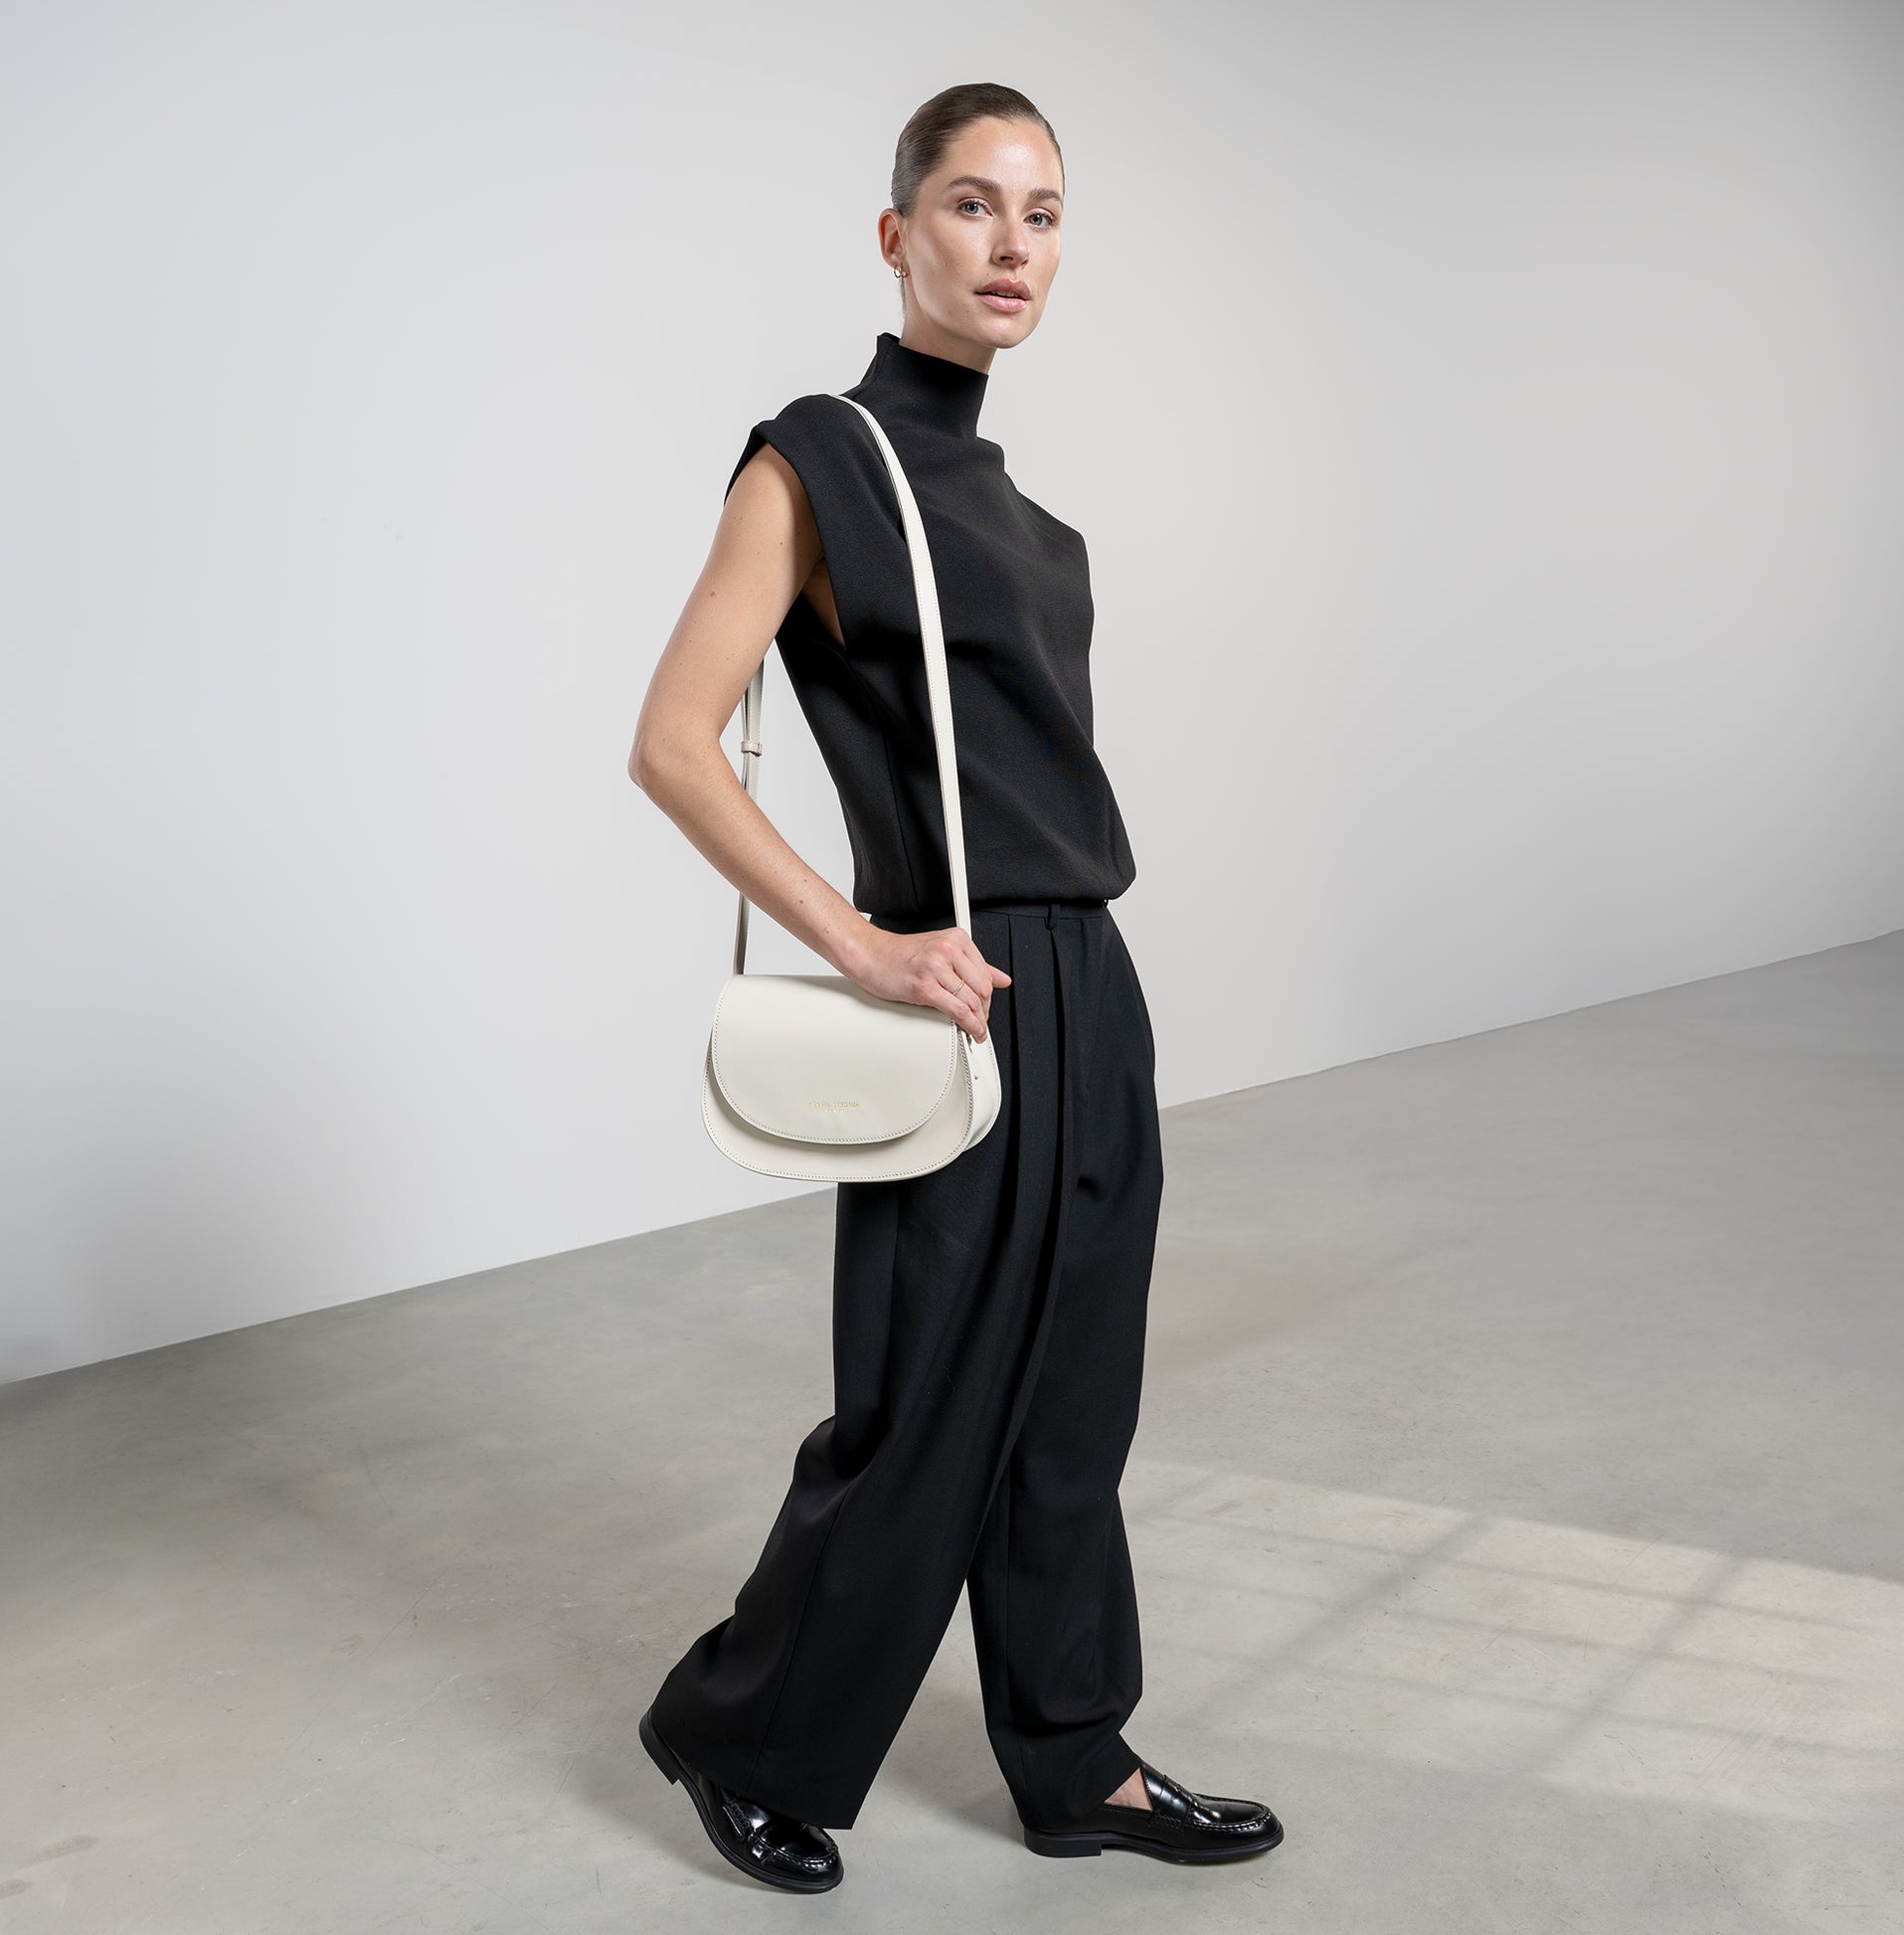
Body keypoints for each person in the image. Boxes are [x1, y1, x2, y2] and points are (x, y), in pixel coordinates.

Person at [625, 82, 1283, 1893]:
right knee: (924, 1403)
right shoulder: (815, 461)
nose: (1012, 245)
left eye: (1043, 214)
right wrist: (864, 943)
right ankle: (740, 1730)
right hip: (960, 988)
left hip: (1092, 978)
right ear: (896, 232)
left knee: (1073, 1399)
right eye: (974, 204)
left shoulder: (1025, 517)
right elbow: (674, 742)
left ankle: (1076, 1758)